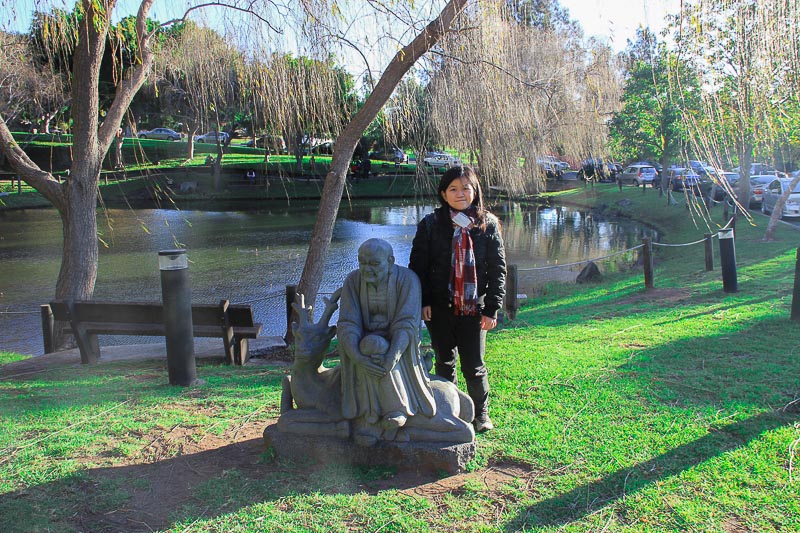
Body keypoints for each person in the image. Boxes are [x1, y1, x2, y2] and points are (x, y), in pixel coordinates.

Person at [409, 166, 506, 433]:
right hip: (439, 308)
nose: (460, 194)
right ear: (443, 193)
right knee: (444, 362)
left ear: (475, 191)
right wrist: (423, 302)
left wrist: (492, 308)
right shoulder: (431, 224)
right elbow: (418, 266)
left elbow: (497, 269)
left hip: (475, 309)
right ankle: (446, 411)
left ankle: (481, 414)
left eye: (466, 188)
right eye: (453, 188)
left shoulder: (488, 224)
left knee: (474, 365)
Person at [338, 238, 436, 445]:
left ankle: (396, 408)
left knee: (376, 346)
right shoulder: (353, 281)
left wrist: (392, 356)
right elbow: (348, 322)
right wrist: (356, 357)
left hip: (398, 345)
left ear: (390, 261)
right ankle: (371, 414)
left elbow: (407, 324)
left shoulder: (408, 280)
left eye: (374, 264)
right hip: (365, 346)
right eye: (362, 263)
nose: (367, 269)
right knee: (370, 345)